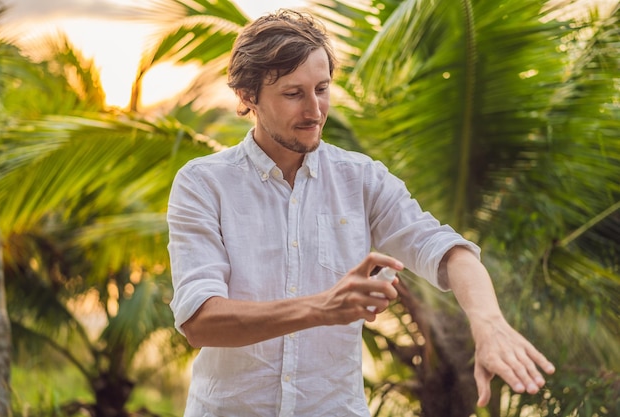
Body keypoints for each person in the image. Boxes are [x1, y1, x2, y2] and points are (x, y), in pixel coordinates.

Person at [167, 9, 555, 416]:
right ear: (248, 96)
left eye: (322, 88)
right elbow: (200, 319)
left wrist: (489, 323)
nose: (315, 111)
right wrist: (322, 307)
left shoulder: (362, 179)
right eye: (293, 93)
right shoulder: (203, 183)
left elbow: (446, 249)